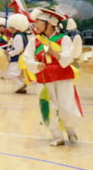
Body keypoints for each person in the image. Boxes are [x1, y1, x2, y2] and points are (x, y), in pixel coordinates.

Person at [23, 8, 82, 146]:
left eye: (38, 22)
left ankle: (70, 130)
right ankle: (57, 136)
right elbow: (27, 58)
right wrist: (36, 65)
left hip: (63, 77)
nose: (36, 25)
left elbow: (69, 58)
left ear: (49, 24)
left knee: (66, 105)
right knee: (48, 107)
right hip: (44, 78)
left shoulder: (64, 39)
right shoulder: (34, 41)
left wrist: (54, 53)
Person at [4, 13, 30, 94]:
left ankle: (21, 85)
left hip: (17, 58)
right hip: (19, 57)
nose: (9, 29)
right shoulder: (21, 35)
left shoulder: (18, 36)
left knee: (11, 74)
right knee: (18, 74)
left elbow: (19, 48)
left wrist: (10, 53)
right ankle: (22, 87)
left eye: (11, 27)